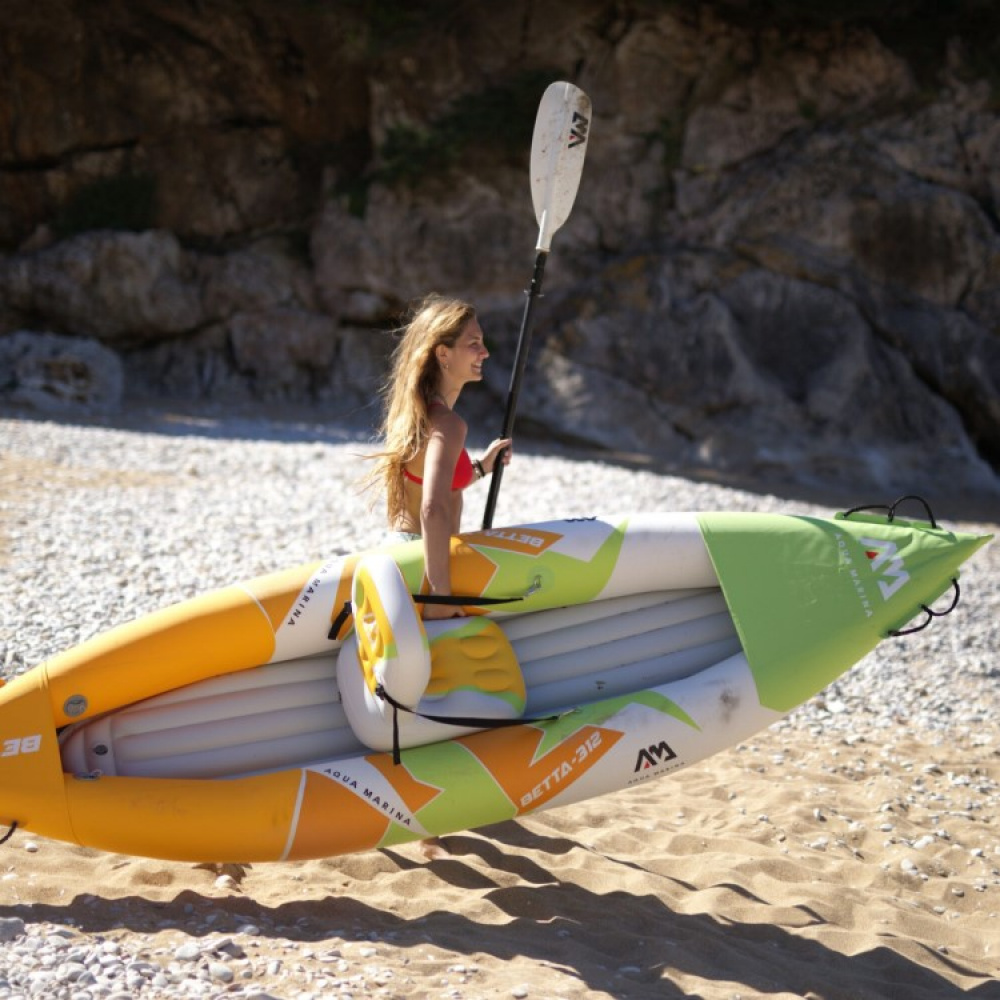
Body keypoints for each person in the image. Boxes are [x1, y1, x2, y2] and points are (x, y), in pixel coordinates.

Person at [367, 295, 512, 619]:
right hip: (423, 565)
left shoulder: (418, 414)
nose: (484, 352)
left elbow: (434, 482)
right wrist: (441, 593)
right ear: (443, 354)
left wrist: (482, 467)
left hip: (402, 553)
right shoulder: (448, 423)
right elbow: (433, 507)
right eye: (474, 343)